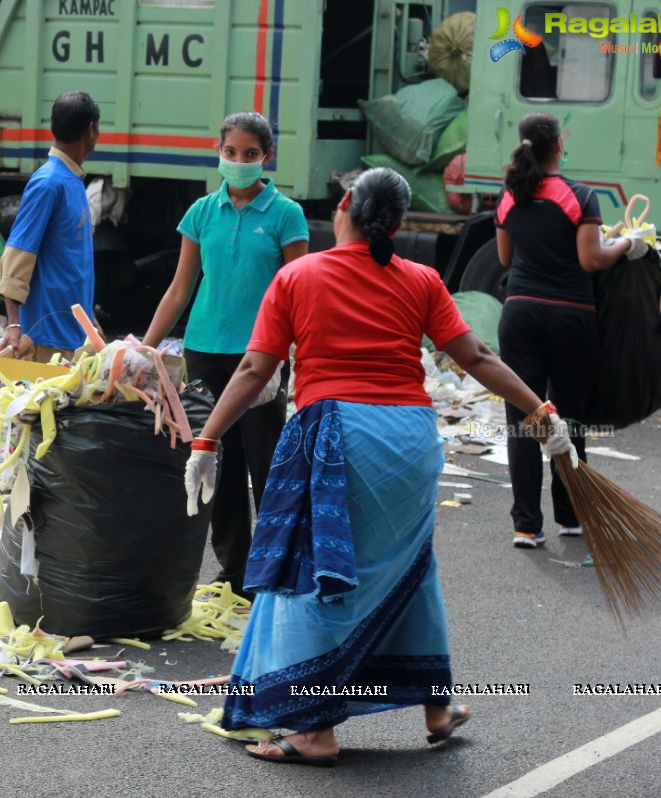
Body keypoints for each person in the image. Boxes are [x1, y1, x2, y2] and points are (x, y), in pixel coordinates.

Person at [182, 167, 578, 766]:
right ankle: (437, 707)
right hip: (412, 444)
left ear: (344, 205)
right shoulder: (421, 278)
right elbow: (475, 356)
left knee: (317, 576)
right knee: (408, 568)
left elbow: (252, 372)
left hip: (342, 439)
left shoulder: (298, 275)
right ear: (398, 223)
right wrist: (541, 414)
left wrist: (207, 441)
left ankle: (314, 731)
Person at [141, 112, 308, 597]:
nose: (238, 162)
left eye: (250, 154)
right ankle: (234, 572)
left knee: (267, 466)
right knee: (217, 462)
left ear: (267, 157)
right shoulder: (201, 212)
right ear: (218, 152)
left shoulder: (285, 215)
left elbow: (298, 290)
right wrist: (144, 349)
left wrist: (288, 355)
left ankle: (274, 571)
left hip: (261, 358)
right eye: (230, 153)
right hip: (204, 351)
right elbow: (178, 290)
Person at [495, 112, 643, 549]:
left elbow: (505, 259)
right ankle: (570, 515)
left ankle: (526, 525)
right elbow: (591, 260)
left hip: (519, 314)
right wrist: (627, 244)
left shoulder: (509, 196)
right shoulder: (580, 195)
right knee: (570, 416)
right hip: (570, 318)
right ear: (559, 144)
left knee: (524, 420)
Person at [0, 92, 102, 363]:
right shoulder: (48, 183)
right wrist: (14, 325)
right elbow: (18, 254)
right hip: (46, 340)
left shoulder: (72, 180)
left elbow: (70, 262)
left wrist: (90, 321)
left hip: (73, 335)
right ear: (91, 129)